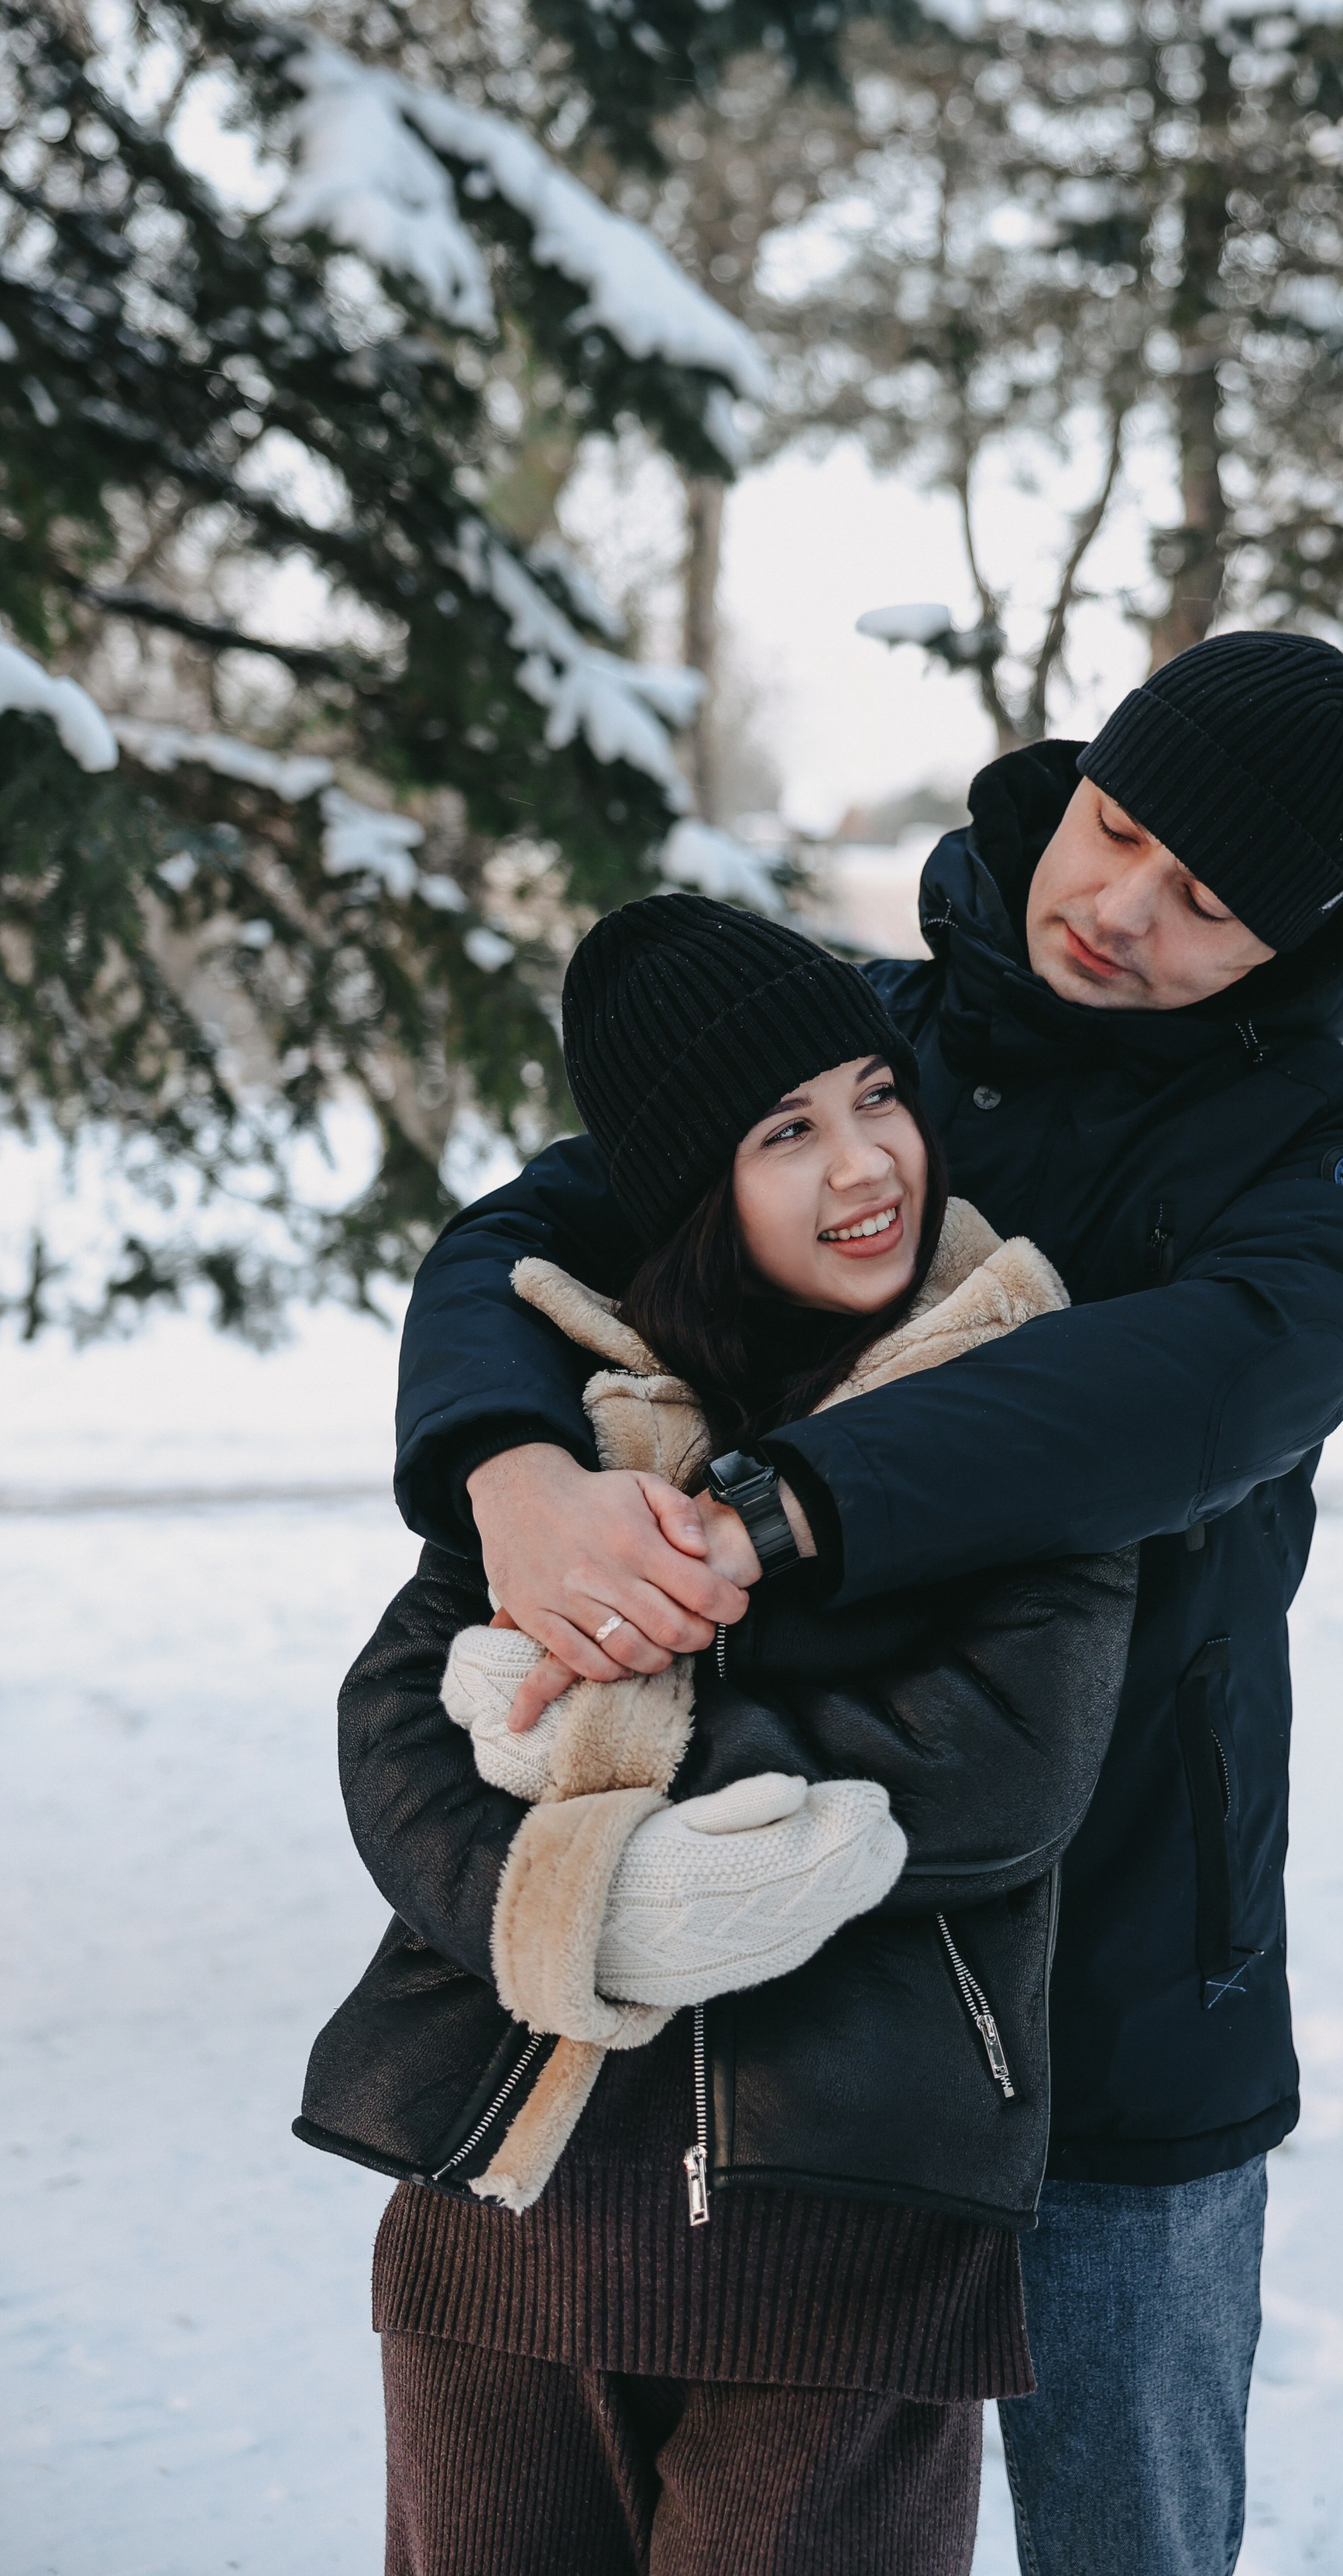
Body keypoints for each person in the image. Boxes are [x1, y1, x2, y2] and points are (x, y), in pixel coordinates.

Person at [393, 628, 1343, 2574]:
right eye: (1115, 829)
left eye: (1204, 902)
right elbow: (523, 1231)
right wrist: (501, 1464)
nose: (1119, 909)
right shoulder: (861, 1035)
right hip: (840, 1992)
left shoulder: (1327, 1144)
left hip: (1131, 1954)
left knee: (1127, 2529)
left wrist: (787, 1505)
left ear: (1289, 940)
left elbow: (1205, 1381)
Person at [297, 899, 1139, 2575]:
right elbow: (398, 1722)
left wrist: (620, 1762)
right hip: (503, 2223)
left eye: (874, 1095)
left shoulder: (1021, 1380)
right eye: (785, 1132)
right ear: (692, 1178)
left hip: (852, 2231)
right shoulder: (571, 1403)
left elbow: (1001, 1760)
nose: (863, 1165)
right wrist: (571, 1911)